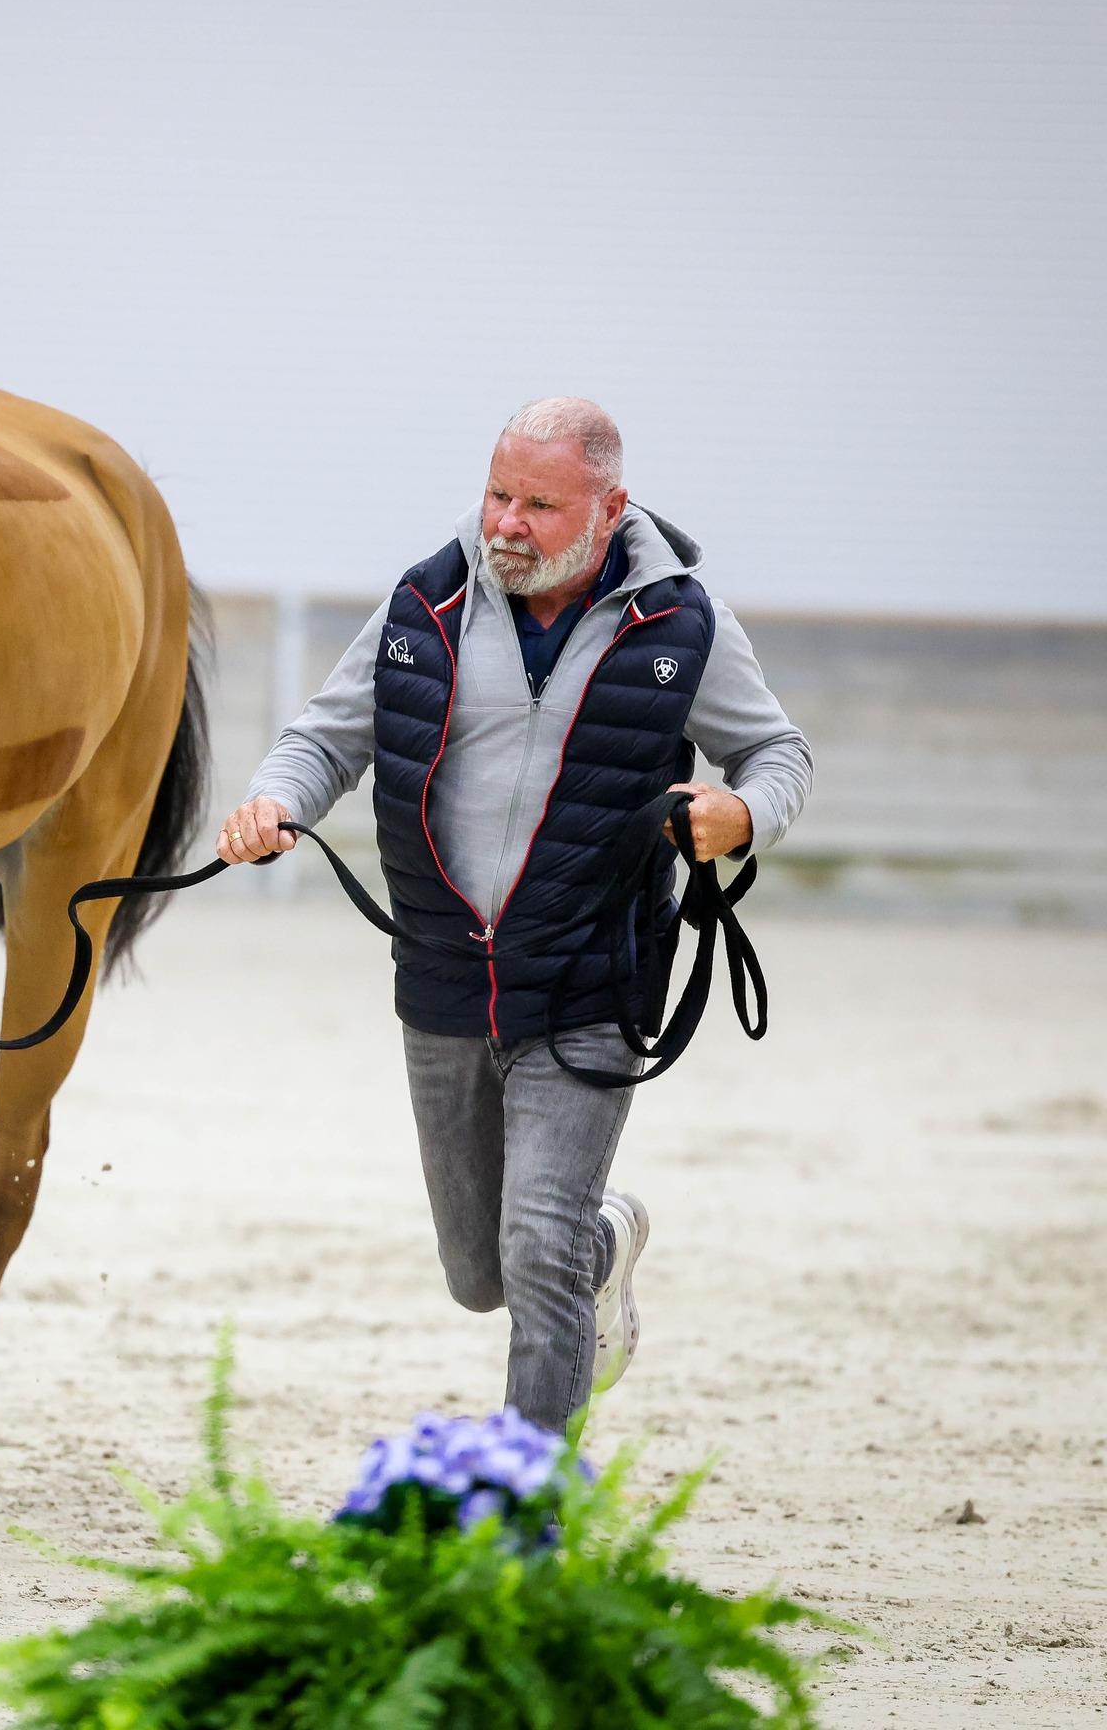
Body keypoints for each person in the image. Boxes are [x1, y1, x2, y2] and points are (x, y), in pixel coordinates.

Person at [218, 398, 812, 1431]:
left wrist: (740, 812)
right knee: (477, 1269)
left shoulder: (679, 626)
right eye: (499, 492)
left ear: (606, 506)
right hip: (442, 977)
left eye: (539, 504)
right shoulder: (424, 603)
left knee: (535, 1248)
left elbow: (776, 754)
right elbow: (324, 736)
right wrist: (275, 799)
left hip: (590, 979)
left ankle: (527, 1508)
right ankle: (604, 1241)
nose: (506, 522)